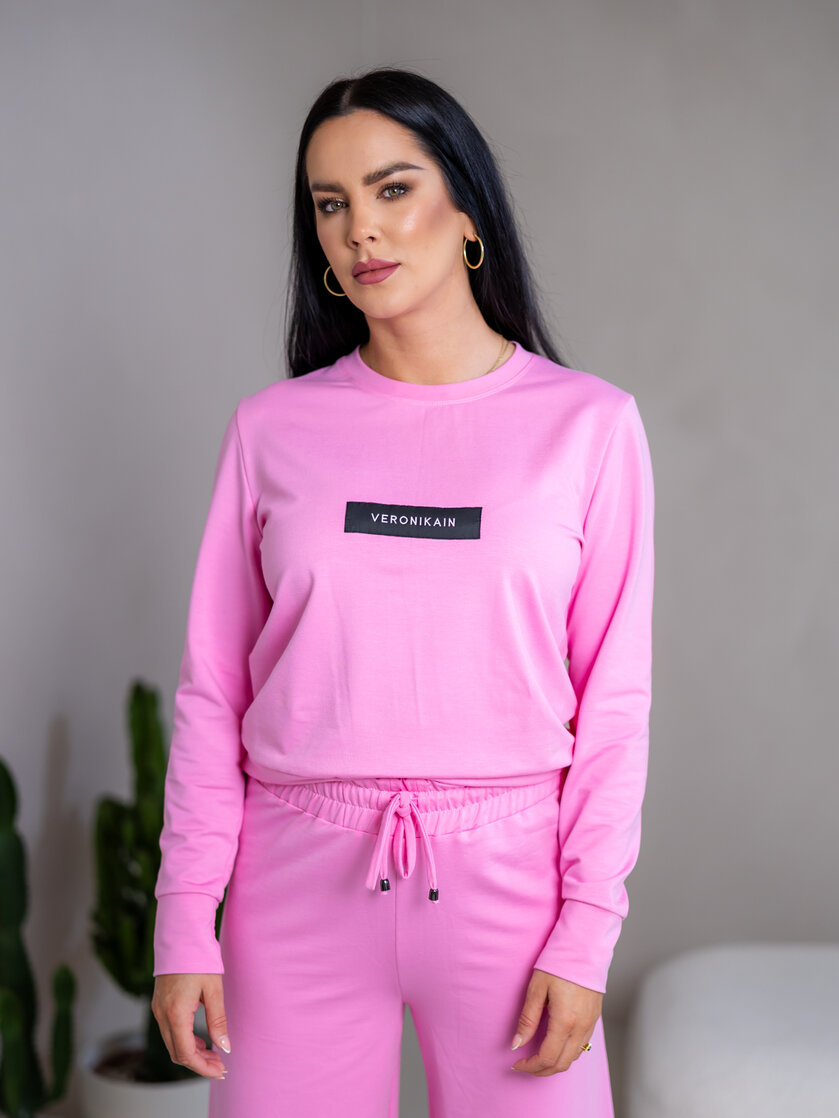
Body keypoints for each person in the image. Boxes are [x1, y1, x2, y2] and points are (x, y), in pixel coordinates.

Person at [151, 65, 654, 1118]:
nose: (360, 231)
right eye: (329, 204)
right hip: (293, 887)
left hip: (512, 891)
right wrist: (184, 918)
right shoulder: (271, 429)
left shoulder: (589, 427)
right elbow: (212, 692)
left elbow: (613, 704)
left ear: (467, 211)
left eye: (391, 189)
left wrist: (585, 929)